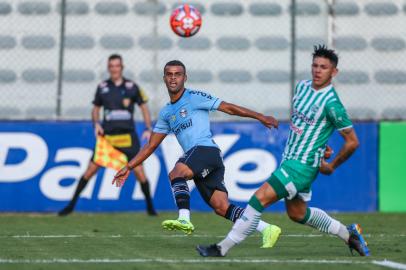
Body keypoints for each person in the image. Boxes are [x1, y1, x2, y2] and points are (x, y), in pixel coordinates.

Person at [196, 45, 370, 257]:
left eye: (324, 67)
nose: (317, 70)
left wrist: (332, 165)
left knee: (257, 200)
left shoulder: (332, 104)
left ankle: (221, 249)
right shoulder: (302, 88)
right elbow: (310, 128)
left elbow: (352, 142)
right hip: (290, 160)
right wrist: (321, 146)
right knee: (298, 214)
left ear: (334, 72)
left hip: (301, 168)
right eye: (315, 65)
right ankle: (348, 233)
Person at [113, 60, 281, 248]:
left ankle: (184, 218)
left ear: (185, 78)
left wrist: (260, 116)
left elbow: (228, 107)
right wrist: (128, 167)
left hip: (205, 151)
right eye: (169, 74)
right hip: (204, 159)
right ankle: (267, 228)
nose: (173, 78)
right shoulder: (166, 112)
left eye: (178, 74)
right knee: (221, 207)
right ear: (164, 78)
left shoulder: (195, 97)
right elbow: (150, 146)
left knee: (176, 173)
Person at [58, 54, 157, 216]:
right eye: (111, 66)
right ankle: (71, 205)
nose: (114, 69)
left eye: (117, 66)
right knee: (90, 170)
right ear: (108, 68)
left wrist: (148, 127)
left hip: (128, 138)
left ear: (121, 67)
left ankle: (150, 208)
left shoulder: (132, 87)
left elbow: (144, 107)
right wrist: (96, 124)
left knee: (139, 171)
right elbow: (96, 109)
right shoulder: (102, 87)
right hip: (108, 139)